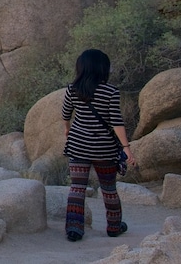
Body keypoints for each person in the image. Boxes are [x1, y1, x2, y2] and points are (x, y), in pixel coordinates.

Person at [62, 49, 137, 242]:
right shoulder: (110, 91)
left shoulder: (73, 89)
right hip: (104, 148)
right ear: (102, 68)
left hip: (78, 146)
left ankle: (74, 229)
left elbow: (65, 114)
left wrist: (67, 130)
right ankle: (114, 226)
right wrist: (126, 148)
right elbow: (116, 122)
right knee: (109, 188)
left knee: (77, 187)